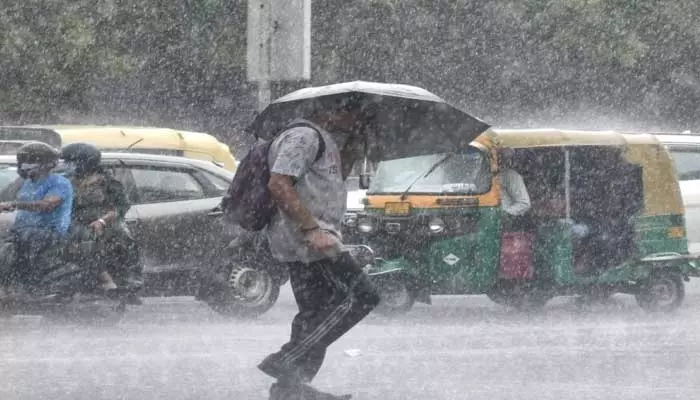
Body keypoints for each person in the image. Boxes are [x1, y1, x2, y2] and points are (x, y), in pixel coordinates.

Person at [258, 96, 381, 400]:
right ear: (329, 109)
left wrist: (356, 141)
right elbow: (278, 184)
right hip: (309, 240)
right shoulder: (304, 136)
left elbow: (332, 181)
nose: (357, 117)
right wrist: (312, 229)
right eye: (353, 111)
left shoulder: (323, 139)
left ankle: (290, 389)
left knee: (316, 312)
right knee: (360, 296)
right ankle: (286, 362)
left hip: (315, 238)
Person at [60, 142, 144, 299]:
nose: (67, 166)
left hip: (104, 224)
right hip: (74, 224)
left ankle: (130, 279)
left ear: (84, 162)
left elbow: (121, 207)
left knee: (124, 238)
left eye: (70, 162)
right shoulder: (66, 182)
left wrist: (102, 220)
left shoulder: (107, 181)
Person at [0, 142, 73, 291]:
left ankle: (27, 284)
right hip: (22, 231)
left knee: (22, 243)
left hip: (49, 232)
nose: (25, 165)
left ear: (46, 163)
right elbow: (6, 197)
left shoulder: (60, 183)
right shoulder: (26, 182)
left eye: (31, 160)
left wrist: (15, 204)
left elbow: (48, 205)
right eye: (23, 161)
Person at [497, 147, 531, 218]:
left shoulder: (510, 175)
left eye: (500, 155)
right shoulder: (483, 174)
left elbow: (524, 203)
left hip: (503, 224)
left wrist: (505, 213)